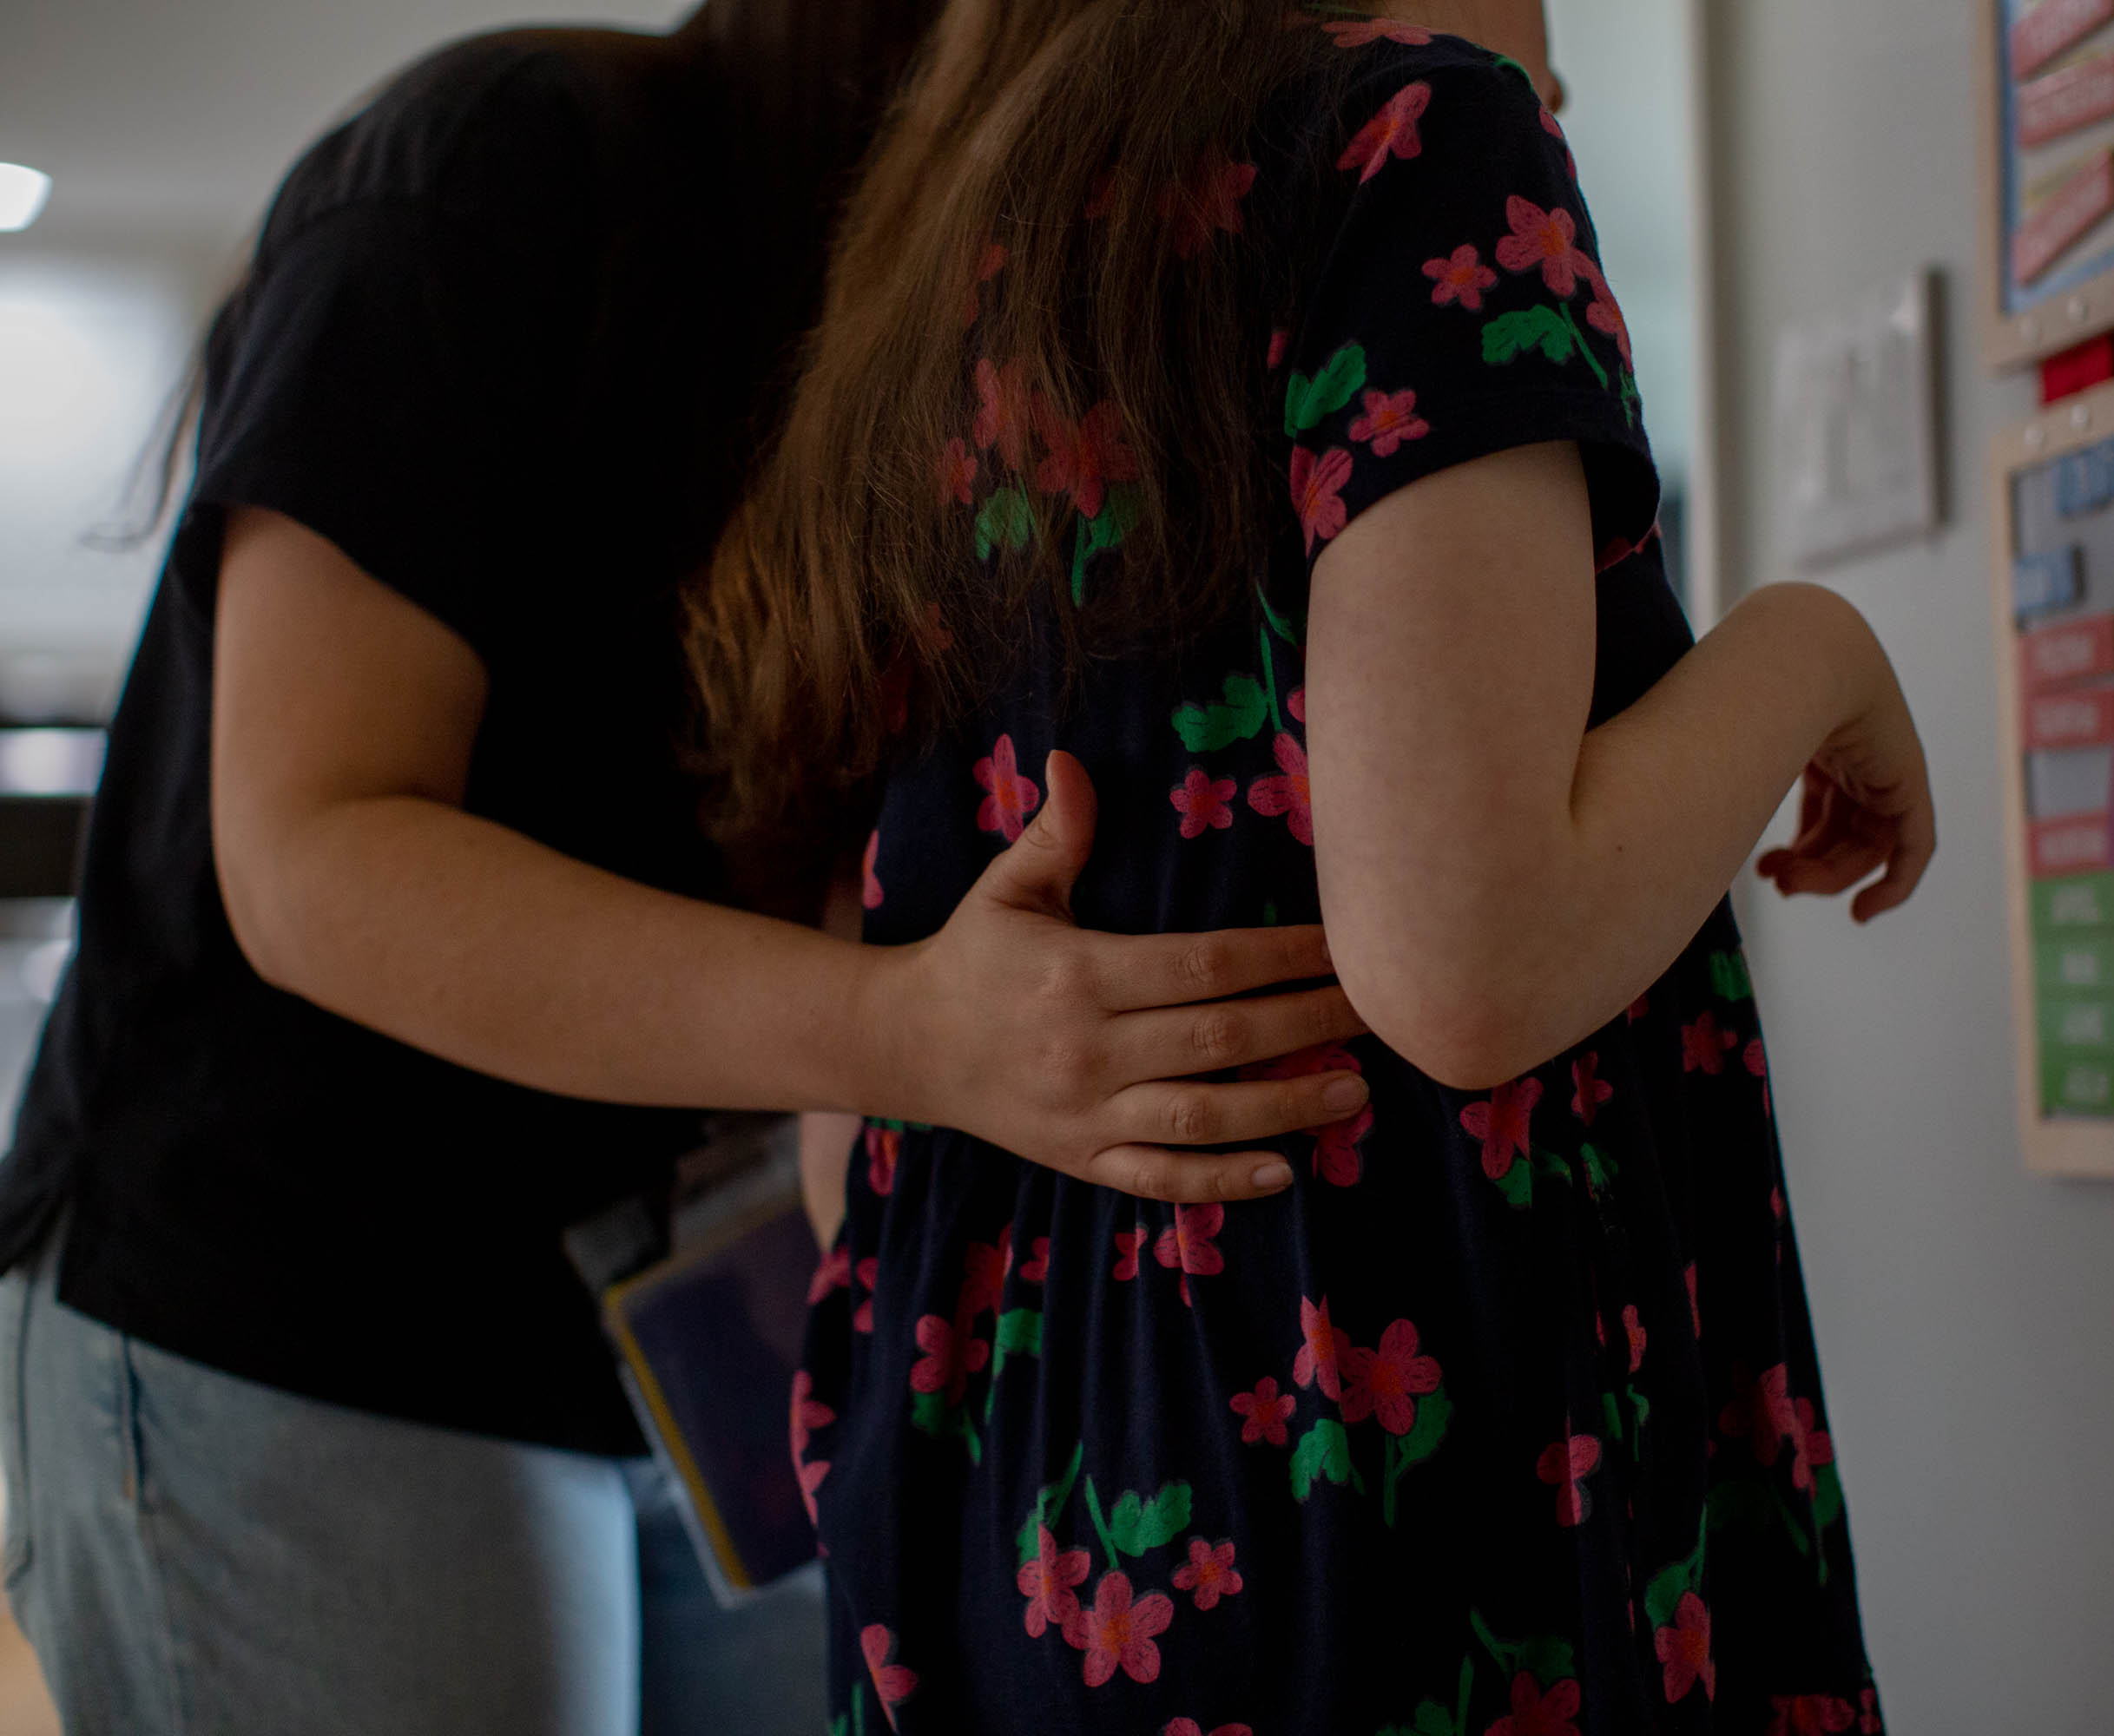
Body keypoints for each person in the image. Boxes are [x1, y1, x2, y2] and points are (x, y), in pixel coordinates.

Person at [0, 4, 1375, 1733]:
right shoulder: (510, 165)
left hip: (661, 1329)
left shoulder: (989, 338)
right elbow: (312, 857)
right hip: (296, 1290)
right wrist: (906, 1032)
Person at [695, 0, 1938, 1730]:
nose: (1555, 67)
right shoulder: (1422, 151)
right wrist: (1810, 650)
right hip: (1378, 1509)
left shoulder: (941, 305)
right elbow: (1474, 959)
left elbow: (854, 1147)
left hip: (987, 1516)